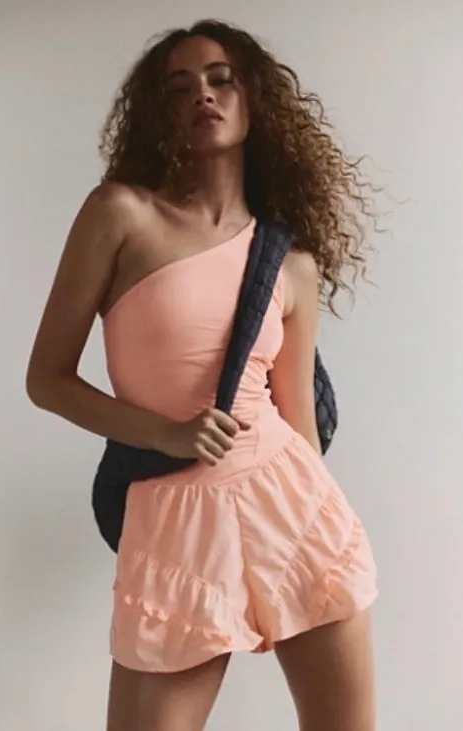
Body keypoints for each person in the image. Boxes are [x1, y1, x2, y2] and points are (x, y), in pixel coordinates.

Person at [26, 19, 378, 731]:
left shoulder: (291, 264)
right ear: (160, 111)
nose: (203, 96)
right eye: (180, 87)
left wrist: (319, 511)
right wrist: (167, 434)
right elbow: (47, 379)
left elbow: (300, 426)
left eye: (222, 79)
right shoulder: (120, 215)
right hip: (175, 521)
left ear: (254, 101)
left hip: (292, 507)